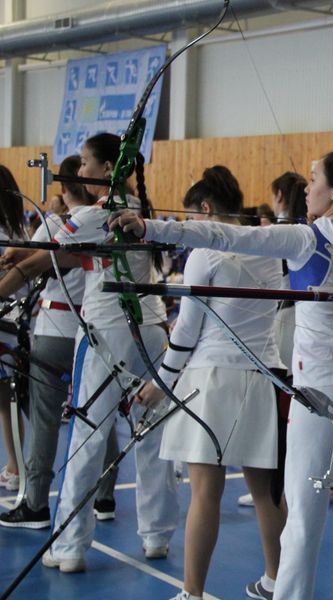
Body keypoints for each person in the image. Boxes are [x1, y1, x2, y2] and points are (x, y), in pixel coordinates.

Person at [111, 150, 333, 600]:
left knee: (305, 522)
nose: (307, 188)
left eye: (314, 180)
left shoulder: (308, 239)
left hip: (319, 395)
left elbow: (219, 234)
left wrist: (151, 227)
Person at [0, 133, 178, 572]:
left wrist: (23, 258)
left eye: (84, 163)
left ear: (105, 168)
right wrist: (24, 252)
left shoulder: (102, 212)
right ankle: (156, 536)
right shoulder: (139, 209)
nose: (78, 171)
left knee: (86, 435)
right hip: (151, 330)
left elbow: (50, 258)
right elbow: (74, 255)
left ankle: (70, 548)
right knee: (151, 432)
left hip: (107, 333)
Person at [134, 166, 286, 600]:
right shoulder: (271, 250)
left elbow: (186, 332)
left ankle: (192, 592)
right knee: (265, 492)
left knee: (206, 492)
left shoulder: (205, 251)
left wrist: (161, 384)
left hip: (213, 380)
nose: (188, 227)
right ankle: (277, 580)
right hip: (261, 378)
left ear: (206, 209)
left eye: (190, 217)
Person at [0, 155, 120, 529]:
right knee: (98, 412)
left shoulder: (64, 222)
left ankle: (35, 502)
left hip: (57, 330)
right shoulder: (106, 219)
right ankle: (104, 496)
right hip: (93, 330)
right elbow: (37, 257)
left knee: (46, 417)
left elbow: (32, 267)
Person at [0, 164, 28, 493]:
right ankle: (15, 464)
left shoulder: (8, 233)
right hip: (13, 322)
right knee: (7, 402)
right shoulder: (16, 229)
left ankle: (17, 465)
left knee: (9, 401)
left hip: (7, 323)